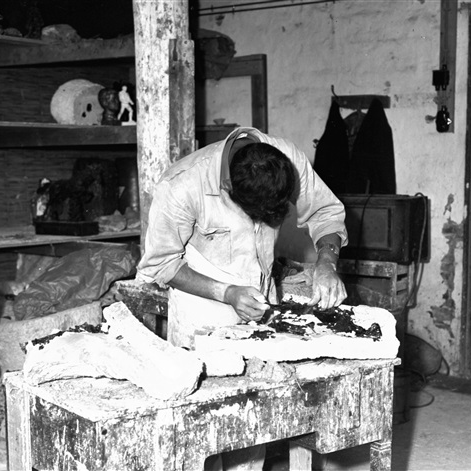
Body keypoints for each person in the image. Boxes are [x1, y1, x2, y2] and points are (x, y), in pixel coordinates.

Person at [136, 126, 348, 470]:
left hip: (261, 294)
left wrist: (326, 262)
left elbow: (325, 213)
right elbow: (160, 266)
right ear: (228, 190)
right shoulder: (182, 185)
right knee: (200, 429)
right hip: (202, 300)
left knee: (251, 424)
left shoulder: (287, 160)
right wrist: (227, 292)